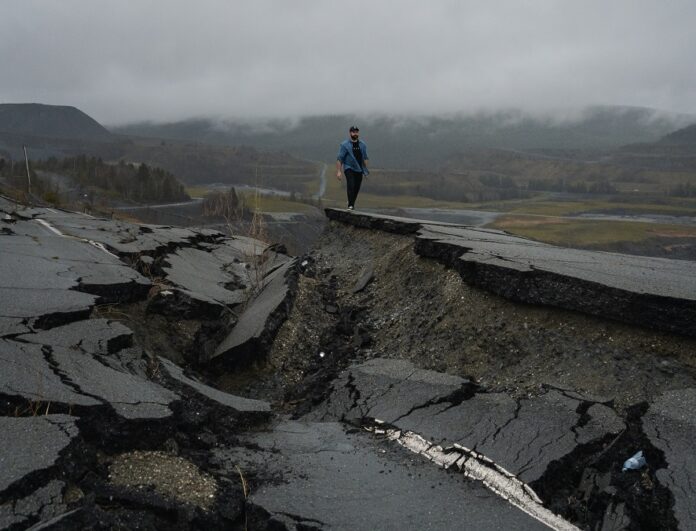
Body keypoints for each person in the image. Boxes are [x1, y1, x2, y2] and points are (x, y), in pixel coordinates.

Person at [336, 125, 369, 210]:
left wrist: (365, 171)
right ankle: (350, 205)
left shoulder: (362, 144)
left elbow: (365, 158)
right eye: (353, 132)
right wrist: (339, 171)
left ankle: (351, 203)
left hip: (359, 169)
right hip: (348, 167)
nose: (355, 134)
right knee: (351, 184)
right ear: (350, 133)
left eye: (357, 132)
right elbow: (340, 158)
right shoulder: (344, 145)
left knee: (356, 187)